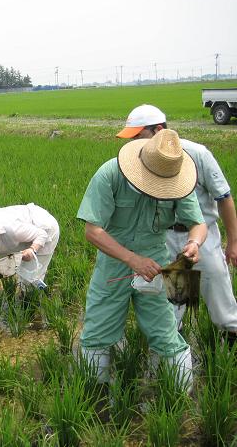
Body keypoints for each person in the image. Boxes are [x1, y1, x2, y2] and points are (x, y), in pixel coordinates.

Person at [77, 129, 207, 390]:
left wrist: (194, 243)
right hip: (114, 264)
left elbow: (198, 224)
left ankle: (181, 399)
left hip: (158, 265)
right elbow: (92, 232)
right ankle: (94, 397)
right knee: (97, 332)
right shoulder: (110, 173)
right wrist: (132, 259)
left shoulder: (177, 179)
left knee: (167, 333)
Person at [117, 104, 237, 345]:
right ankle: (177, 364)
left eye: (139, 137)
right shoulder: (141, 161)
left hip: (205, 237)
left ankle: (229, 354)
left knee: (222, 304)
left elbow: (224, 198)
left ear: (159, 130)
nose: (134, 145)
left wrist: (233, 242)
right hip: (167, 238)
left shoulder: (197, 154)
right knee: (175, 307)